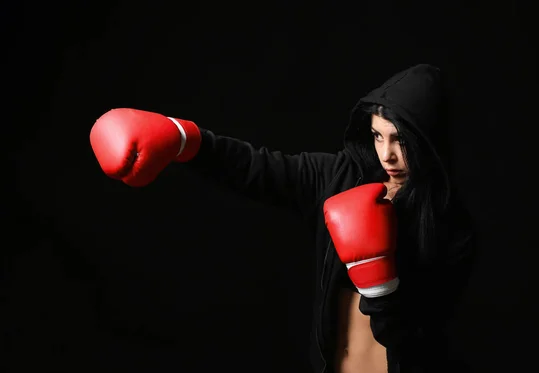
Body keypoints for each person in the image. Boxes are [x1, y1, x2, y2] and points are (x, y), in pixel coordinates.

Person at [89, 64, 475, 373]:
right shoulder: (339, 179)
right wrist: (185, 141)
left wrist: (380, 287)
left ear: (427, 142)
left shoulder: (451, 229)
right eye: (377, 136)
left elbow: (420, 340)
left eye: (400, 141)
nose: (386, 154)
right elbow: (258, 169)